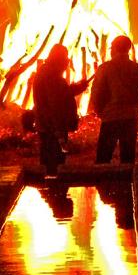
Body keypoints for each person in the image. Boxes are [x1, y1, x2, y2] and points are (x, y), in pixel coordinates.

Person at [90, 35, 138, 165]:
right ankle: (127, 184)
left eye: (111, 47)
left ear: (115, 48)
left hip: (111, 118)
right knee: (128, 158)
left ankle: (102, 184)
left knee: (103, 158)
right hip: (131, 118)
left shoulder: (105, 68)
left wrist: (100, 112)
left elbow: (96, 94)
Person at [32, 43, 89, 176]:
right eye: (65, 58)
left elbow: (61, 93)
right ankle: (53, 192)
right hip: (52, 129)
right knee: (54, 164)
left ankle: (51, 191)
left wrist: (78, 87)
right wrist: (59, 133)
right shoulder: (51, 76)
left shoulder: (49, 74)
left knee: (50, 162)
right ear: (58, 59)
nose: (67, 61)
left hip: (48, 126)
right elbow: (55, 105)